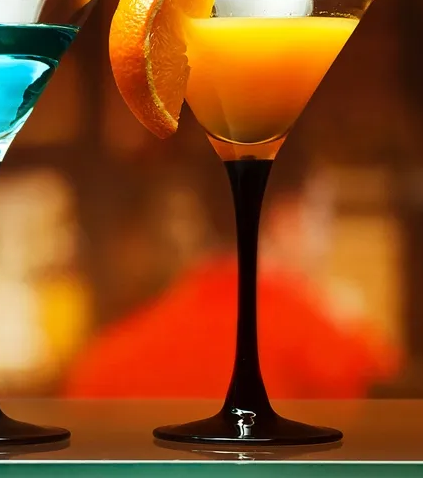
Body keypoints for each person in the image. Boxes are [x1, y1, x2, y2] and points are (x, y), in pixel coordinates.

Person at [62, 167, 399, 399]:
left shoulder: (103, 365)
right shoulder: (336, 352)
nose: (329, 239)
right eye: (324, 216)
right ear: (288, 217)